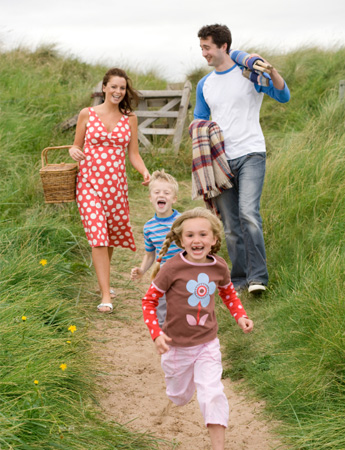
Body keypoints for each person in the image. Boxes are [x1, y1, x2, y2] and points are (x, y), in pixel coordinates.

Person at [142, 207, 253, 450]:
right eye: (190, 235)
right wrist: (156, 333)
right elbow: (149, 301)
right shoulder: (172, 268)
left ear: (214, 239)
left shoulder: (219, 267)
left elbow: (228, 293)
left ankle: (218, 446)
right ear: (181, 240)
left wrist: (241, 316)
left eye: (203, 234)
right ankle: (182, 385)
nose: (197, 240)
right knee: (179, 397)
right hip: (176, 347)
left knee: (211, 392)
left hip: (207, 344)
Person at [193, 24, 290, 294]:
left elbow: (283, 95)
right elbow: (199, 119)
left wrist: (270, 70)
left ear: (224, 46)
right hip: (221, 160)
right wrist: (201, 137)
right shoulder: (205, 84)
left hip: (251, 153)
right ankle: (238, 279)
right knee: (231, 224)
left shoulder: (249, 73)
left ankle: (258, 277)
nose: (203, 53)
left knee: (248, 214)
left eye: (207, 47)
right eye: (201, 47)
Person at [69, 68, 150, 313]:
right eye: (113, 86)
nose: (118, 91)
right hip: (88, 184)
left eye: (122, 88)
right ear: (104, 87)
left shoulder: (130, 118)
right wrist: (73, 151)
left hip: (116, 187)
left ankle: (103, 281)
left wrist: (144, 172)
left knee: (110, 236)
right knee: (98, 237)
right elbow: (76, 145)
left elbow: (133, 154)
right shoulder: (87, 114)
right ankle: (106, 294)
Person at [130, 169, 181, 326]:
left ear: (174, 199)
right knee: (161, 307)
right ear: (150, 198)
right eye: (157, 192)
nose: (161, 195)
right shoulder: (149, 227)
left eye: (166, 193)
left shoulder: (182, 221)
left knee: (182, 306)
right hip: (162, 273)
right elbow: (150, 255)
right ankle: (163, 338)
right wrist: (142, 270)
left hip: (182, 271)